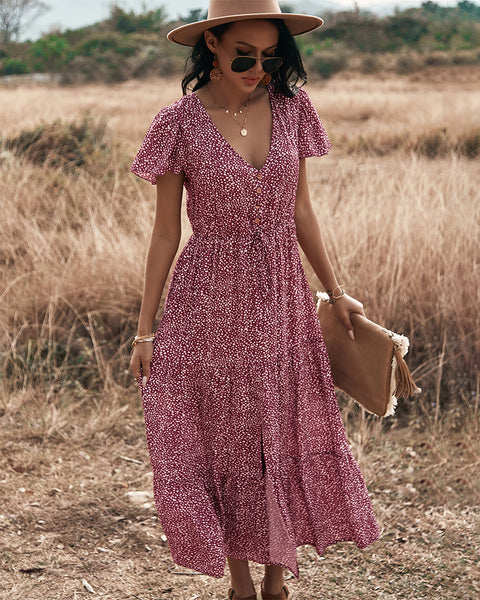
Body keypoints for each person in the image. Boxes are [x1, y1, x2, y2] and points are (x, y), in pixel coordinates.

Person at [130, 1, 380, 599]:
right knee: (222, 433)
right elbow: (166, 234)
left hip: (281, 293)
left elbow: (301, 212)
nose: (258, 67)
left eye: (271, 56)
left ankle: (277, 580)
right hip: (206, 294)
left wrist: (336, 292)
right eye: (245, 53)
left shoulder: (293, 110)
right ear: (211, 45)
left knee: (280, 426)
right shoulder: (178, 124)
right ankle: (241, 581)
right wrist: (145, 331)